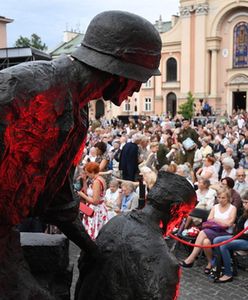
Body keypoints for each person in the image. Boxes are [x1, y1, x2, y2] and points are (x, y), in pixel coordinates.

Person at [0, 11, 162, 298]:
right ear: (118, 67)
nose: (137, 89)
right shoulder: (28, 90)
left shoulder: (78, 114)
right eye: (139, 78)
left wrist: (95, 252)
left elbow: (59, 198)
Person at [75, 171, 196, 300]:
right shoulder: (165, 262)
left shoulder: (115, 222)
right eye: (182, 216)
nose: (178, 222)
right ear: (174, 209)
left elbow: (84, 266)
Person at [180, 187, 237, 274]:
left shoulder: (232, 208)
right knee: (206, 242)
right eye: (219, 197)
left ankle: (191, 258)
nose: (220, 200)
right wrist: (222, 221)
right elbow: (209, 219)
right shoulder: (215, 207)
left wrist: (216, 219)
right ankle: (211, 263)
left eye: (223, 198)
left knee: (203, 232)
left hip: (225, 233)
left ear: (228, 198)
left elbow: (229, 224)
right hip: (214, 230)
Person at [213, 191, 248, 283]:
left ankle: (228, 274)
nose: (244, 205)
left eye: (246, 202)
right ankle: (220, 265)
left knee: (224, 245)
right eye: (244, 202)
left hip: (246, 240)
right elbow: (239, 228)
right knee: (217, 240)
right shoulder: (245, 213)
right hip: (240, 237)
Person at [78, 162, 109, 240]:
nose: (87, 175)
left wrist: (82, 195)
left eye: (87, 173)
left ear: (92, 172)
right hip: (95, 209)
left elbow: (95, 201)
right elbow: (88, 194)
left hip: (96, 211)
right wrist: (84, 181)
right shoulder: (99, 179)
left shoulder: (97, 182)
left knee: (94, 235)